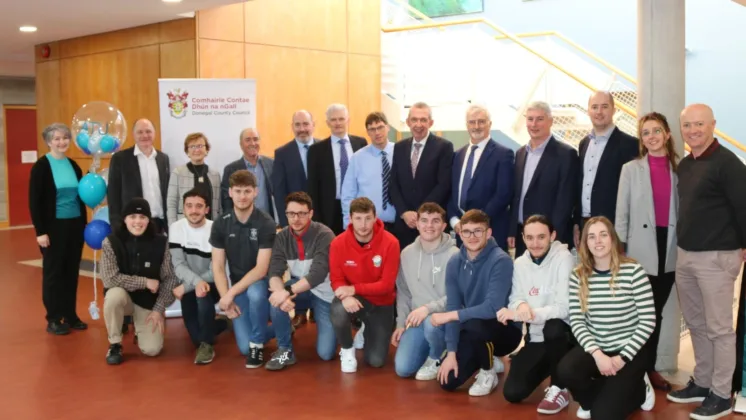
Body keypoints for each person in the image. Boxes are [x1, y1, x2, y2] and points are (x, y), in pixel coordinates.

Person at [666, 104, 746, 420]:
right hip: (686, 255)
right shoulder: (685, 165)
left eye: (699, 124)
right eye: (688, 126)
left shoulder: (729, 165)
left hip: (717, 257)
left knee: (719, 329)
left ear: (712, 124)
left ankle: (721, 393)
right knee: (697, 324)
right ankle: (702, 382)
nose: (693, 131)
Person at [557, 216, 656, 419]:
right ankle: (592, 399)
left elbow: (648, 321)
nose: (598, 241)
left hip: (629, 351)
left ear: (612, 239)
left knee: (603, 415)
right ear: (585, 243)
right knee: (566, 370)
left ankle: (640, 388)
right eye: (591, 237)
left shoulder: (634, 271)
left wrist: (621, 359)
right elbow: (577, 321)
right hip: (598, 349)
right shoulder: (578, 275)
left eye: (603, 235)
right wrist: (597, 354)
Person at [615, 112, 679, 391]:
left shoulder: (680, 168)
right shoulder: (631, 169)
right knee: (639, 313)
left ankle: (649, 368)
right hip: (640, 248)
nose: (651, 137)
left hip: (672, 246)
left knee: (658, 312)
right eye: (646, 133)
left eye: (656, 131)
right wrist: (621, 253)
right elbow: (621, 215)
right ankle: (635, 369)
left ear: (667, 134)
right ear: (641, 139)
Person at [433, 209, 522, 397]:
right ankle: (486, 356)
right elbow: (453, 306)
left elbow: (492, 308)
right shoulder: (455, 262)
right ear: (460, 233)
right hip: (474, 328)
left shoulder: (501, 260)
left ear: (488, 233)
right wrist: (451, 352)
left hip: (505, 331)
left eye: (478, 231)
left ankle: (488, 370)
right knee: (447, 382)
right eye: (467, 232)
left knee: (475, 324)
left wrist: (450, 316)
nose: (472, 237)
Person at [500, 215, 576, 414]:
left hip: (564, 336)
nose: (535, 243)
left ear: (552, 236)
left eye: (541, 237)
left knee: (554, 326)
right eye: (530, 238)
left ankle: (560, 387)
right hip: (536, 337)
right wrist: (522, 304)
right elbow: (514, 299)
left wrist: (524, 314)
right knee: (512, 393)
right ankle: (552, 366)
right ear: (523, 238)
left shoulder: (564, 258)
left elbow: (563, 308)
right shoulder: (520, 263)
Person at [210, 170, 277, 368]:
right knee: (243, 349)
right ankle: (280, 328)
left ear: (256, 192)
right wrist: (226, 299)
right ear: (230, 192)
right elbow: (218, 266)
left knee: (256, 293)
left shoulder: (266, 222)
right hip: (238, 286)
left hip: (261, 282)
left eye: (247, 191)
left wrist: (230, 293)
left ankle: (257, 344)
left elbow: (261, 269)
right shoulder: (221, 224)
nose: (242, 196)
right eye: (238, 191)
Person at [101, 198, 179, 365]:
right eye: (133, 217)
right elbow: (109, 279)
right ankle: (115, 343)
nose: (138, 221)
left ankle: (139, 329)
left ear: (148, 220)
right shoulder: (111, 242)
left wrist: (159, 309)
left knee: (152, 350)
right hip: (124, 299)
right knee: (113, 296)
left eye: (142, 217)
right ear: (125, 219)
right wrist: (144, 282)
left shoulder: (161, 242)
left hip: (148, 303)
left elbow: (170, 278)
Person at [265, 191, 337, 370]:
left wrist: (287, 292)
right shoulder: (281, 237)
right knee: (276, 301)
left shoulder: (324, 234)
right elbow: (274, 272)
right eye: (291, 214)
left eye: (302, 214)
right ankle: (285, 350)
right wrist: (280, 293)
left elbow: (317, 275)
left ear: (310, 213)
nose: (296, 219)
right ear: (286, 214)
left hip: (325, 293)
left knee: (326, 354)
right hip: (301, 289)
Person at [28, 123, 87, 335]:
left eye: (65, 138)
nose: (62, 142)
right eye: (57, 138)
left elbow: (81, 196)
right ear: (48, 141)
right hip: (52, 229)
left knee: (71, 272)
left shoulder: (74, 165)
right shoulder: (42, 166)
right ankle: (53, 318)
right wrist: (40, 232)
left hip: (75, 226)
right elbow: (35, 201)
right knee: (54, 274)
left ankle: (70, 315)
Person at [329, 197, 400, 372]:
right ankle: (347, 350)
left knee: (375, 361)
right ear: (350, 219)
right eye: (358, 218)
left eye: (368, 218)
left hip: (382, 303)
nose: (363, 224)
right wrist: (345, 296)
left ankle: (365, 328)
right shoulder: (338, 243)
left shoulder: (391, 243)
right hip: (355, 299)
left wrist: (352, 289)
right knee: (338, 309)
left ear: (375, 217)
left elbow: (387, 285)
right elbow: (336, 279)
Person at [391, 202, 458, 380]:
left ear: (444, 226)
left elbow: (457, 296)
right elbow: (404, 293)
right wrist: (400, 323)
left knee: (431, 322)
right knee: (403, 369)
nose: (429, 226)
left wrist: (427, 309)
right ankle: (429, 348)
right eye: (425, 220)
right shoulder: (406, 254)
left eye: (435, 221)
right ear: (417, 223)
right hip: (417, 320)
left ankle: (437, 356)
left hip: (444, 319)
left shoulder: (455, 255)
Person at [507, 101, 579, 256]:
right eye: (530, 119)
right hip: (524, 237)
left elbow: (565, 201)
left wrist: (552, 236)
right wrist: (513, 229)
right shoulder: (520, 154)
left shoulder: (566, 154)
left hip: (549, 238)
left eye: (540, 119)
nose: (534, 124)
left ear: (550, 121)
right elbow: (517, 196)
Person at [574, 91, 638, 248]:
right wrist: (576, 223)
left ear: (614, 110)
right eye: (594, 107)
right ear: (588, 110)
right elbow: (580, 185)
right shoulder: (583, 144)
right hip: (585, 225)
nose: (599, 112)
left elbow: (634, 192)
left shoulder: (631, 145)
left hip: (613, 227)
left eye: (604, 107)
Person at [169, 189, 227, 365]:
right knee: (195, 337)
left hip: (212, 285)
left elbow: (215, 270)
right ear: (184, 208)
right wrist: (195, 283)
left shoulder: (216, 230)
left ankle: (207, 346)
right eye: (189, 206)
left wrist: (190, 286)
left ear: (207, 209)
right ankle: (221, 325)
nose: (194, 210)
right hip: (190, 284)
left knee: (202, 296)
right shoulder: (176, 228)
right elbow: (178, 264)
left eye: (199, 206)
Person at [448, 105, 514, 250]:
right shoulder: (458, 155)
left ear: (490, 124)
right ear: (467, 125)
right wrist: (455, 221)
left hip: (490, 230)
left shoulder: (503, 154)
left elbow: (503, 194)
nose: (476, 126)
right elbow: (452, 192)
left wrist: (475, 222)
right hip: (462, 232)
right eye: (472, 122)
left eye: (481, 122)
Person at [389, 102, 453, 249]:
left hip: (430, 223)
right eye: (414, 120)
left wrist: (420, 213)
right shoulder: (399, 147)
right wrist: (404, 212)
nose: (419, 124)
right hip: (404, 223)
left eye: (423, 120)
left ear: (431, 122)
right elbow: (393, 184)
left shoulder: (444, 147)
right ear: (408, 122)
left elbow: (443, 185)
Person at [307, 103, 367, 235]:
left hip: (358, 207)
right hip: (330, 209)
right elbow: (312, 187)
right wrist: (316, 218)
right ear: (327, 123)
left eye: (341, 119)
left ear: (348, 120)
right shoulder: (316, 150)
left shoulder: (361, 143)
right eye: (333, 120)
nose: (338, 123)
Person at [108, 118, 170, 233]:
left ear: (154, 133)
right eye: (140, 132)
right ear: (133, 134)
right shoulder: (120, 159)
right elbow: (113, 195)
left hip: (158, 224)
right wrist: (117, 225)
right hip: (133, 225)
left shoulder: (163, 159)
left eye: (148, 131)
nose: (144, 135)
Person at [341, 112, 396, 229]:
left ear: (388, 127)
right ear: (367, 132)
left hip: (399, 223)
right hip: (368, 225)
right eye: (372, 129)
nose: (377, 132)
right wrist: (349, 224)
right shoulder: (358, 158)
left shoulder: (401, 152)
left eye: (380, 127)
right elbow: (348, 194)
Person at [272, 110, 317, 227]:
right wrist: (285, 222)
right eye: (297, 125)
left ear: (313, 125)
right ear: (292, 127)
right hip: (295, 220)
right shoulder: (282, 154)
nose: (302, 129)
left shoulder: (326, 149)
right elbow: (279, 192)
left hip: (322, 220)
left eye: (306, 124)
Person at [221, 128, 277, 221]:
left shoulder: (271, 164)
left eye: (255, 139)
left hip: (268, 222)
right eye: (248, 140)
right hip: (242, 223)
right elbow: (226, 200)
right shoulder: (231, 169)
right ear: (241, 145)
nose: (253, 143)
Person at [166, 132, 221, 226]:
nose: (196, 150)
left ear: (206, 150)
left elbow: (218, 206)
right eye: (192, 146)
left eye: (200, 146)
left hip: (210, 226)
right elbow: (171, 204)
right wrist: (173, 228)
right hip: (184, 226)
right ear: (187, 152)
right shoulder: (178, 173)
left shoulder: (215, 175)